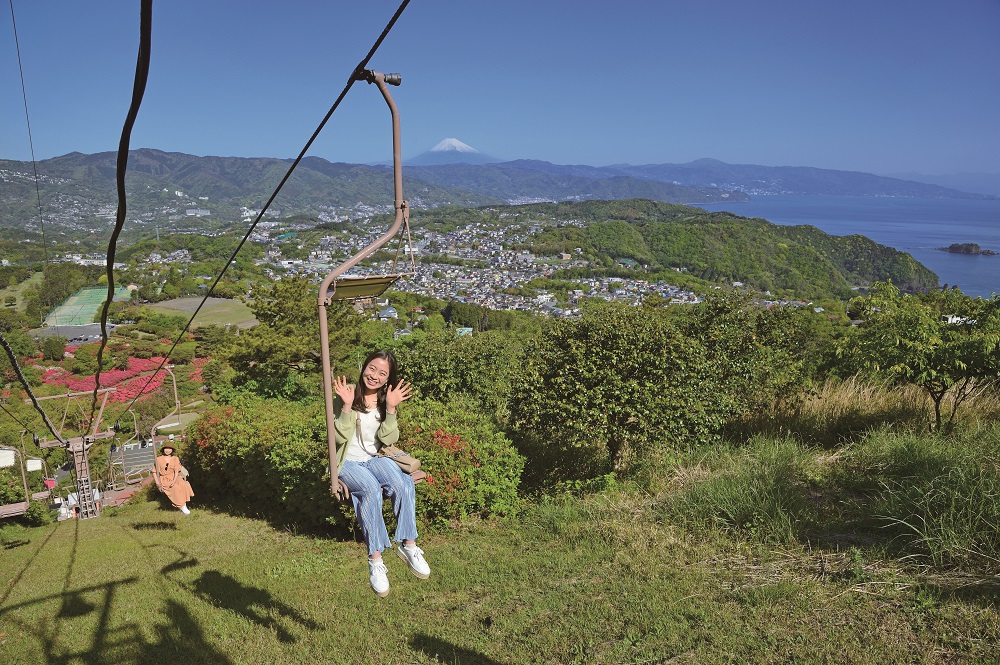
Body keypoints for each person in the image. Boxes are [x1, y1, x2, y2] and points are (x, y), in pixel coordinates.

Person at [332, 350, 427, 597]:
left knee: (404, 481)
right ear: (364, 367)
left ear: (387, 380)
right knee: (371, 490)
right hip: (348, 463)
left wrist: (392, 409)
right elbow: (338, 437)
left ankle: (409, 545)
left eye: (382, 373)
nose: (374, 376)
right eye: (372, 369)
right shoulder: (347, 394)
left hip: (374, 458)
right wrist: (345, 405)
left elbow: (388, 438)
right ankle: (375, 561)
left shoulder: (386, 399)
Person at [154, 443, 194, 515]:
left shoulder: (175, 458)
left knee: (183, 485)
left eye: (169, 449)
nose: (167, 450)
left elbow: (176, 470)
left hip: (174, 477)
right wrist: (158, 483)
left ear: (172, 450)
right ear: (163, 450)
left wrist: (174, 480)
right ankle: (181, 506)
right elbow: (154, 472)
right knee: (175, 488)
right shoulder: (158, 459)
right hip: (164, 478)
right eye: (166, 449)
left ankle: (183, 504)